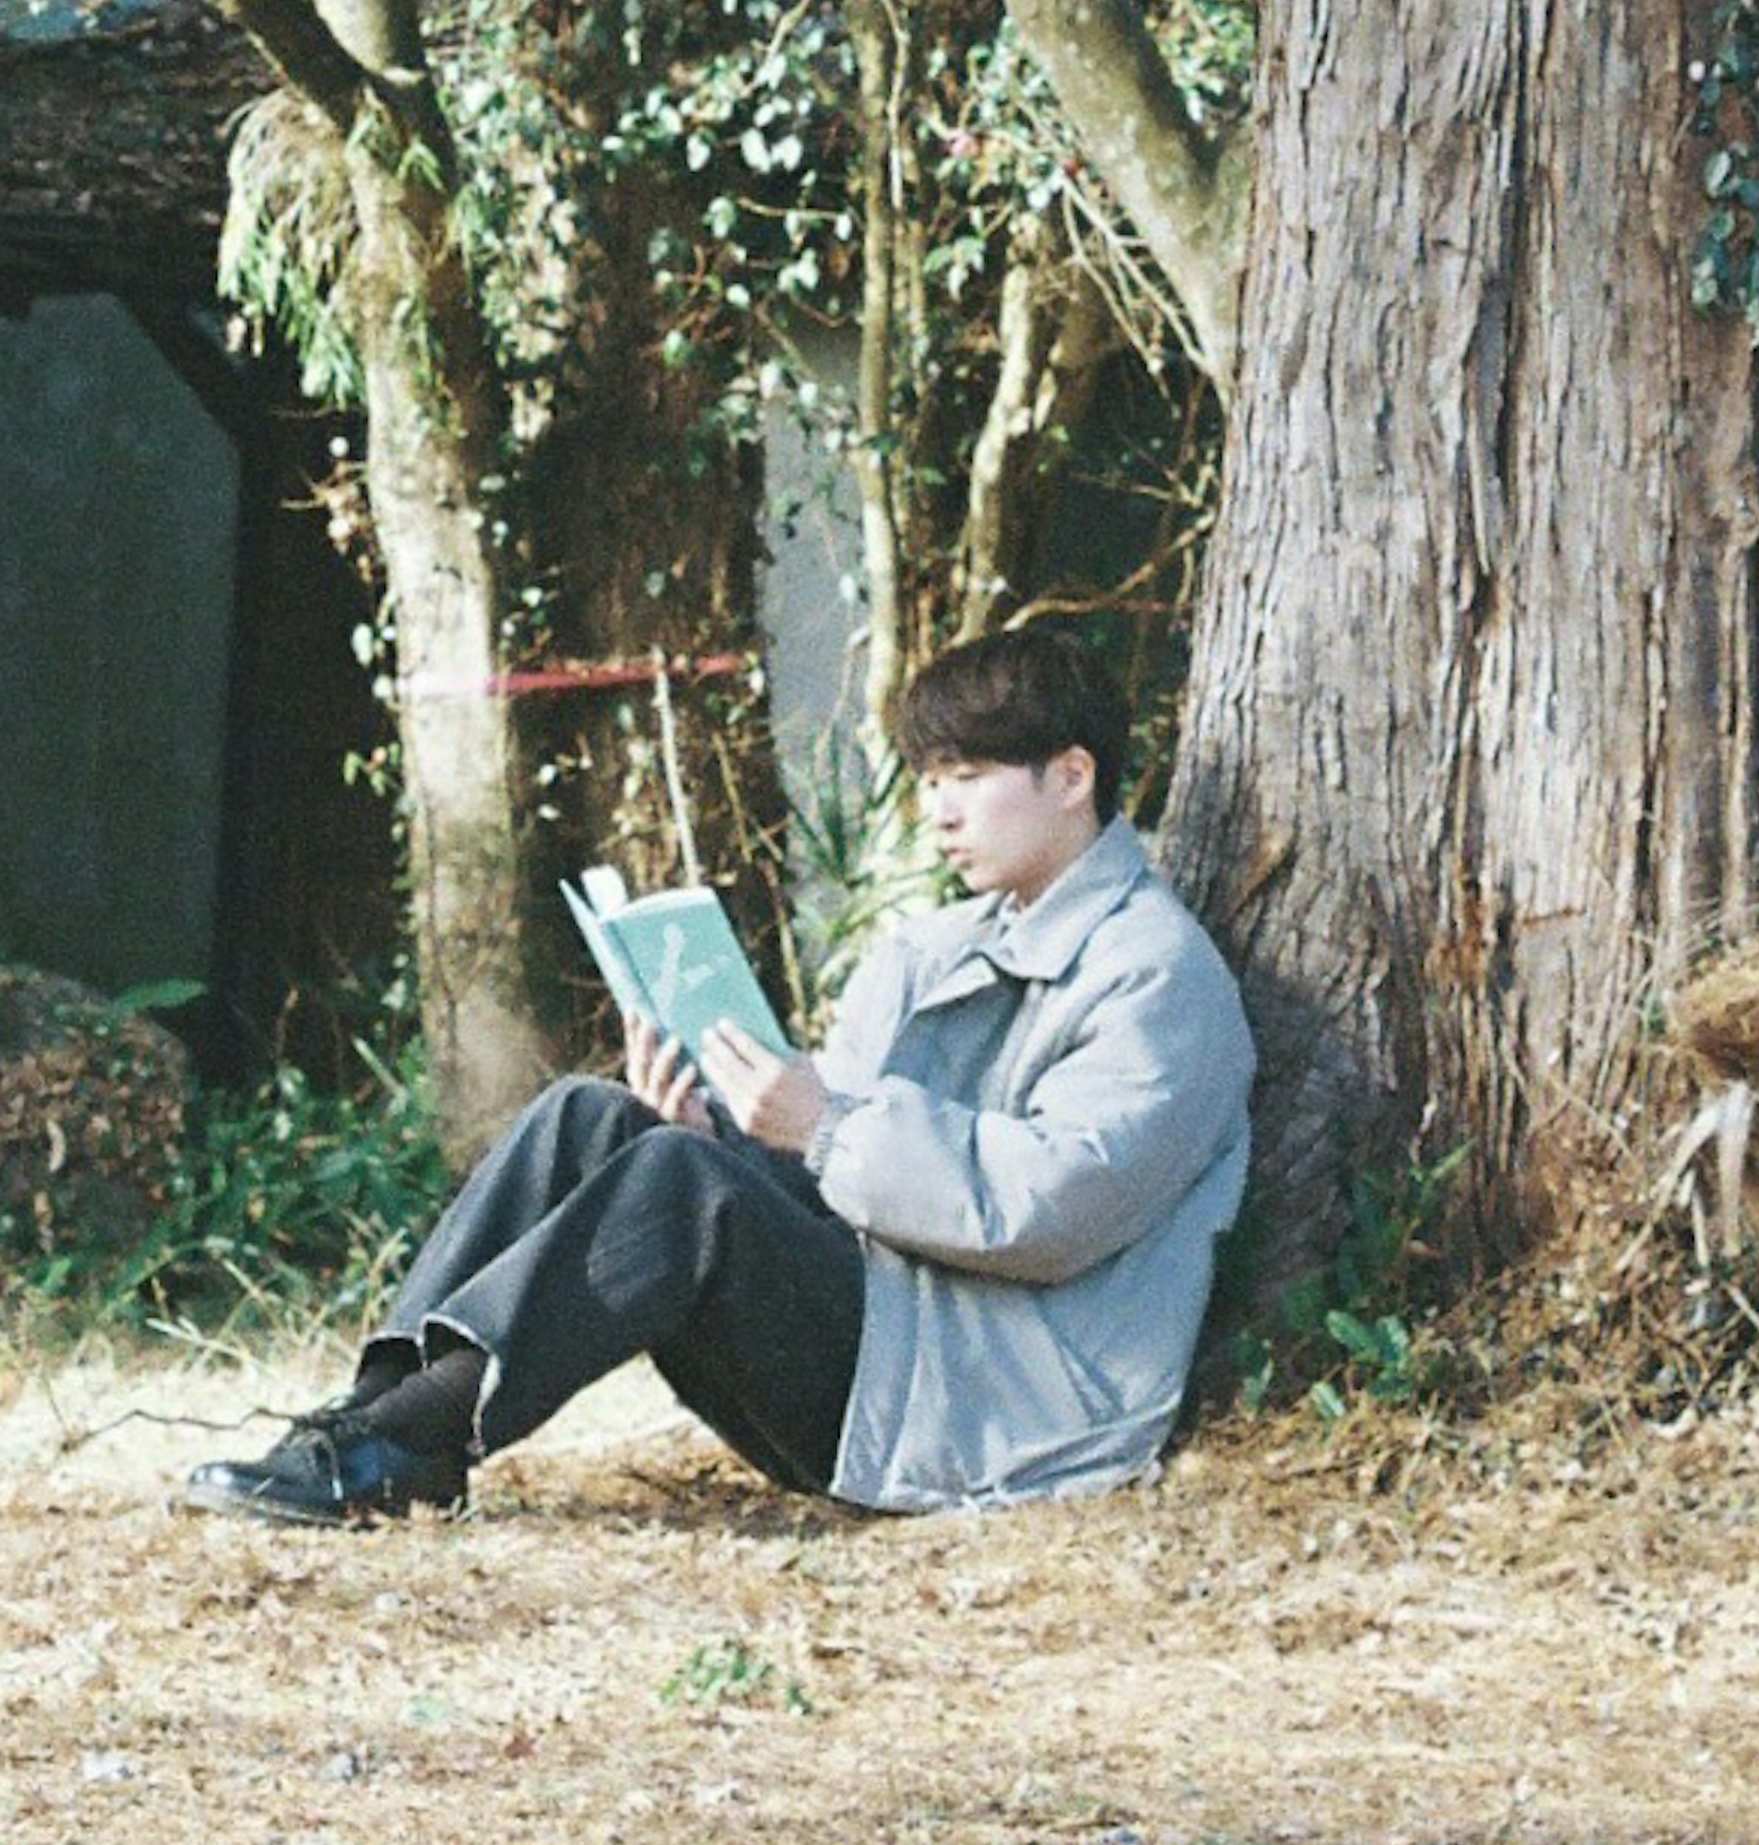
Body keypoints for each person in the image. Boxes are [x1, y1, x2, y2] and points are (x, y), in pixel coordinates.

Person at [184, 628, 1255, 1526]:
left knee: (681, 1189)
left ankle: (404, 1444)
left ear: (1072, 776)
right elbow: (830, 1159)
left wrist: (819, 1130)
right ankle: (374, 1422)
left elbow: (1048, 1206)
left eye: (969, 778)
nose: (938, 810)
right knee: (595, 1117)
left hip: (1001, 1402)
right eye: (930, 780)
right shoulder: (937, 943)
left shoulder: (1157, 976)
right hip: (896, 1327)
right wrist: (712, 1123)